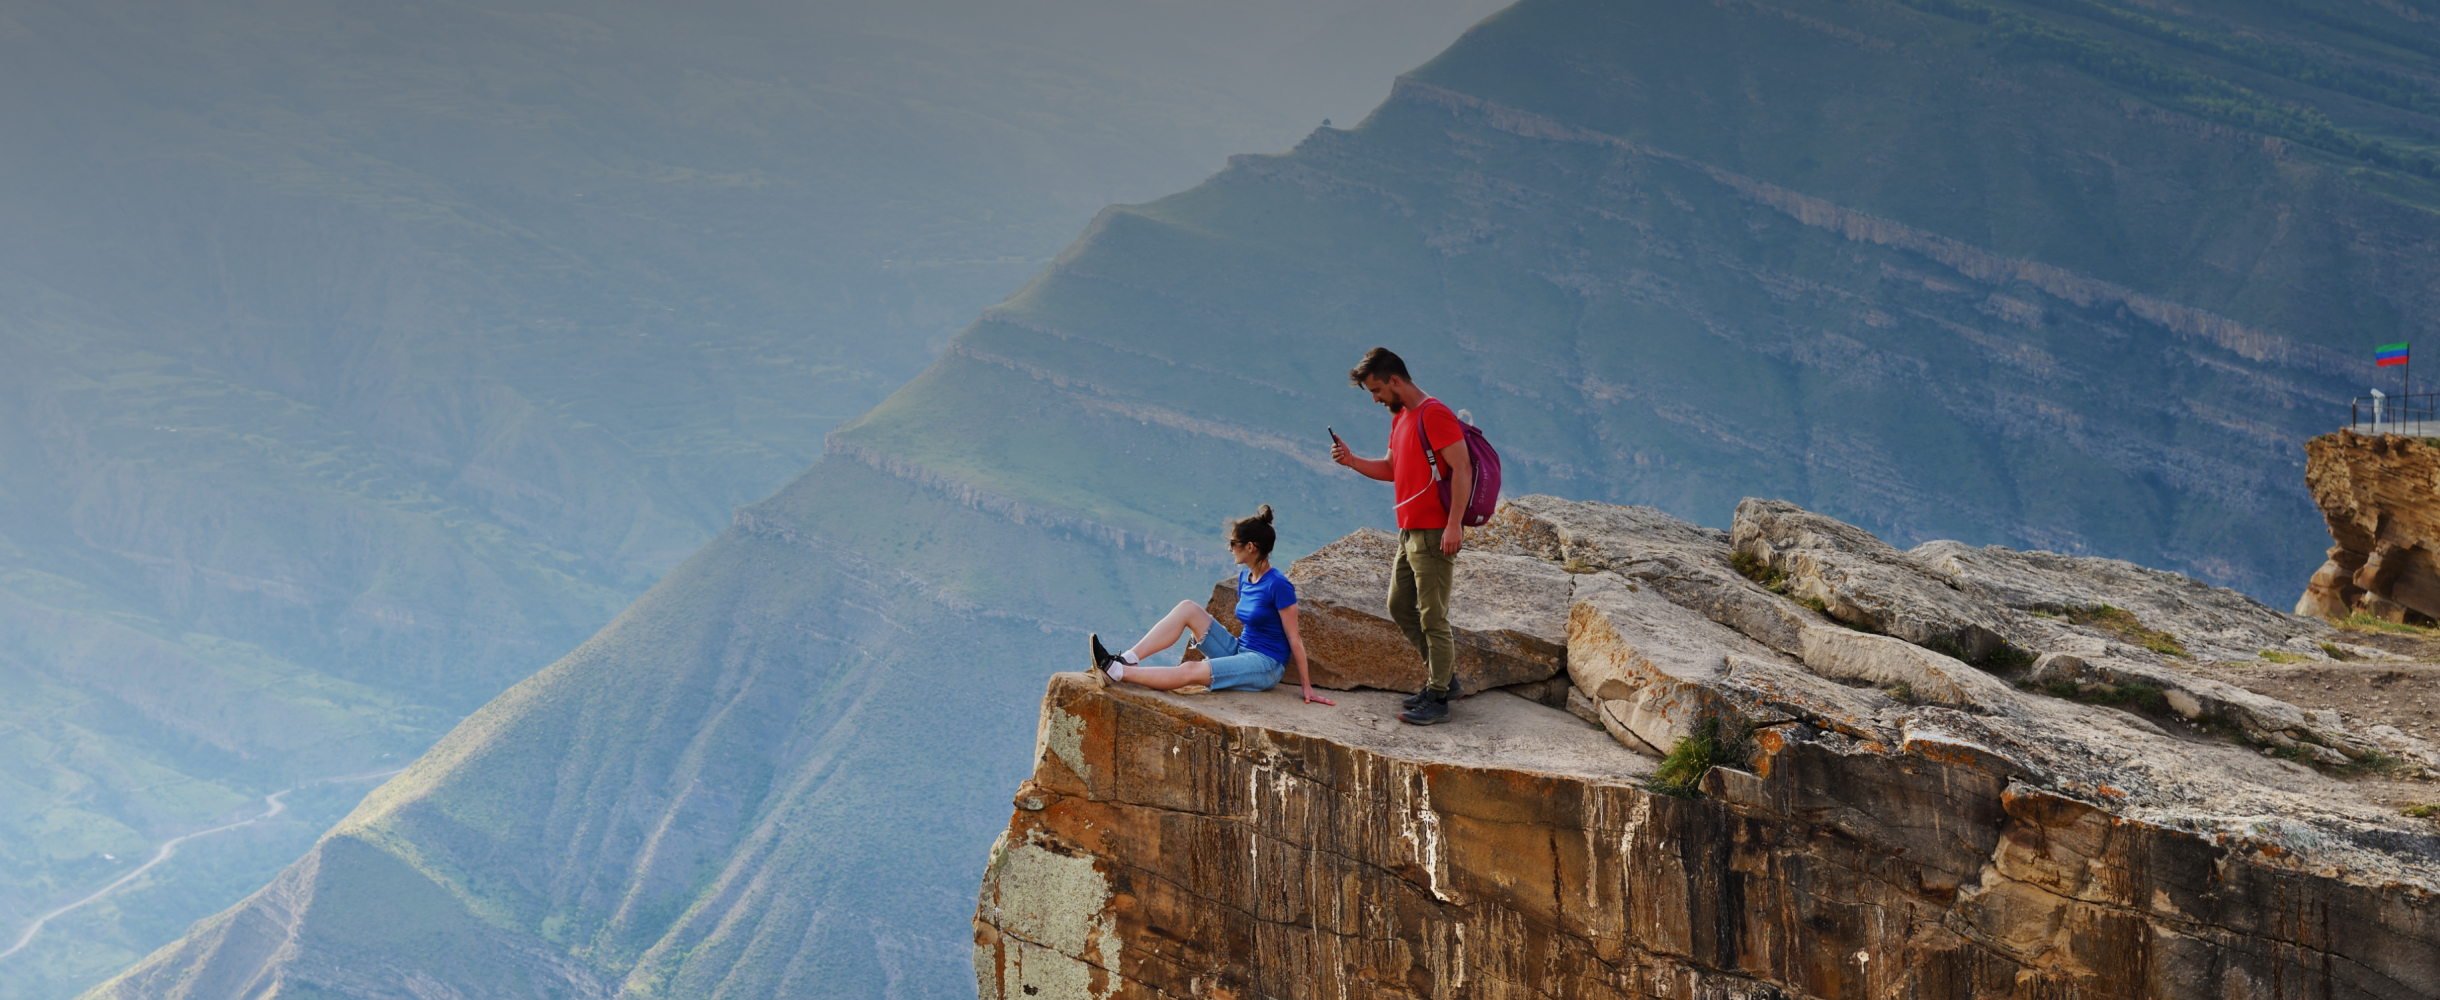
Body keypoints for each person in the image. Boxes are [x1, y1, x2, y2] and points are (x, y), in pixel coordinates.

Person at [1329, 347, 1471, 725]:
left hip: (1434, 532)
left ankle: (1439, 697)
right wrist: (1352, 460)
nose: (1375, 399)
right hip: (1408, 532)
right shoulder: (1401, 418)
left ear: (1395, 380)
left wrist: (1454, 523)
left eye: (1377, 390)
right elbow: (1392, 468)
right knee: (1398, 605)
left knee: (1433, 617)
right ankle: (1444, 679)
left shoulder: (1434, 413)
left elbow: (1463, 469)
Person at [1087, 505, 1335, 706]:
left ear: (1250, 547)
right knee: (1188, 608)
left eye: (1234, 543)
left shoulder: (1278, 585)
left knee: (1192, 669)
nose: (1229, 548)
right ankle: (1129, 659)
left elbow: (1295, 639)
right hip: (1241, 652)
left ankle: (1116, 672)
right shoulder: (1245, 578)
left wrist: (1307, 687)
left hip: (1265, 665)